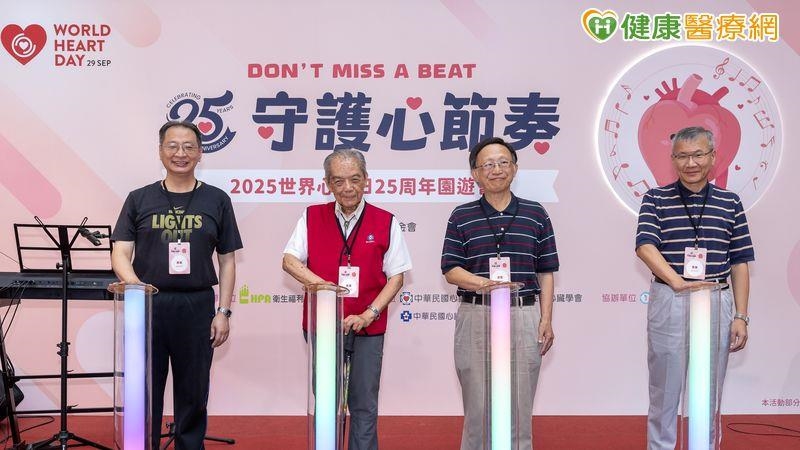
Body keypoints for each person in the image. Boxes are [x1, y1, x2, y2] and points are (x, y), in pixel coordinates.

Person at [111, 120, 243, 449]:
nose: (180, 153)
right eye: (172, 146)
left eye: (188, 146)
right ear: (160, 151)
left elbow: (227, 261)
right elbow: (120, 253)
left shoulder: (217, 200)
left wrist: (223, 312)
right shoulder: (139, 199)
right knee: (143, 390)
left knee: (193, 391)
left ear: (200, 153)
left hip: (197, 306)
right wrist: (137, 288)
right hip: (148, 305)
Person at [282, 148, 412, 450]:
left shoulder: (386, 221)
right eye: (338, 181)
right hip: (325, 325)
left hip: (368, 325)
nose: (348, 188)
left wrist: (369, 313)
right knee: (327, 401)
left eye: (355, 179)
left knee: (364, 402)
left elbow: (396, 277)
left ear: (366, 179)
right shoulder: (311, 216)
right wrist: (322, 287)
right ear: (328, 183)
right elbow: (289, 260)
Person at [635, 126, 754, 450]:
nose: (691, 163)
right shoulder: (655, 199)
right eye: (683, 156)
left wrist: (741, 315)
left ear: (713, 157)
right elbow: (645, 246)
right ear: (673, 159)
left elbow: (740, 261)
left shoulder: (730, 202)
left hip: (715, 298)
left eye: (698, 154)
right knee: (664, 387)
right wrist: (677, 282)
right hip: (669, 297)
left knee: (708, 389)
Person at [441, 137, 559, 450]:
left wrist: (546, 319)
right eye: (488, 164)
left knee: (519, 405)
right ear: (475, 174)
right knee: (478, 406)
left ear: (515, 168)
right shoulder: (461, 215)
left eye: (504, 162)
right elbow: (450, 269)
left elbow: (546, 271)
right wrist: (486, 285)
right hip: (477, 312)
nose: (497, 170)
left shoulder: (536, 213)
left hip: (523, 314)